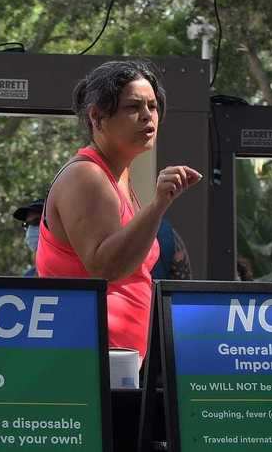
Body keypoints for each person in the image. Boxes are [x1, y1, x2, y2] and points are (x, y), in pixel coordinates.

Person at [36, 60, 202, 360]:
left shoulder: (118, 178)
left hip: (119, 361)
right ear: (97, 117)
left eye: (152, 106)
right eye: (133, 107)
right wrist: (159, 204)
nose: (147, 117)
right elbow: (106, 268)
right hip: (88, 360)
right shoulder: (86, 176)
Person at [13, 198, 44, 277]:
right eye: (27, 224)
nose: (31, 228)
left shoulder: (71, 267)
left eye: (36, 222)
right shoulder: (28, 276)